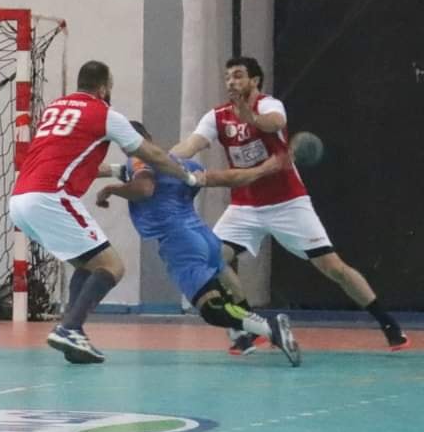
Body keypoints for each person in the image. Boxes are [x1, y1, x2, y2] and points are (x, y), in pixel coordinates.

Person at [172, 57, 409, 352]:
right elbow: (192, 144)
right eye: (228, 77)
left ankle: (388, 324)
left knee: (333, 267)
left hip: (288, 202)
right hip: (245, 206)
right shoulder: (217, 116)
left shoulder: (270, 106)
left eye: (238, 76)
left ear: (255, 80)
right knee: (212, 256)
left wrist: (250, 117)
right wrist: (165, 159)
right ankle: (251, 322)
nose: (231, 81)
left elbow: (276, 123)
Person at [9, 60, 201, 364]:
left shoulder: (56, 109)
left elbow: (73, 159)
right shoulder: (104, 114)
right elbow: (149, 153)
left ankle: (74, 333)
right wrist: (186, 176)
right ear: (104, 88)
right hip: (50, 197)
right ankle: (69, 327)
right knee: (113, 266)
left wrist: (114, 171)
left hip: (20, 200)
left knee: (87, 264)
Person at [95, 121, 301, 366]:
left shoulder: (136, 158)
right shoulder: (178, 163)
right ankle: (242, 335)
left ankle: (269, 328)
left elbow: (144, 188)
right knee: (223, 280)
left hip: (179, 240)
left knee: (211, 308)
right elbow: (186, 181)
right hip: (202, 233)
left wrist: (111, 190)